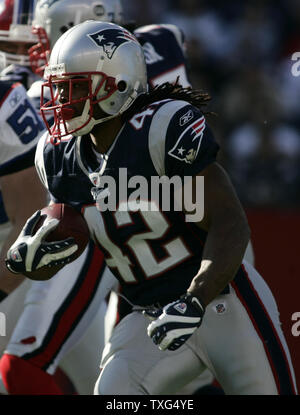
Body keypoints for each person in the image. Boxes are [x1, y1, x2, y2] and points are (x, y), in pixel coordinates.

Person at [5, 20, 297, 395]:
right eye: (59, 90)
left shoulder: (160, 128)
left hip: (224, 304)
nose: (61, 102)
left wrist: (195, 299)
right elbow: (76, 228)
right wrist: (35, 253)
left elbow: (231, 222)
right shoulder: (58, 156)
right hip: (149, 317)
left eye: (74, 89)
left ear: (117, 85)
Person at [0, 0, 120, 395]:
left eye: (19, 48)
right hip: (50, 244)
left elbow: (36, 205)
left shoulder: (14, 100)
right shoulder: (32, 95)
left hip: (64, 237)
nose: (19, 59)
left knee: (20, 371)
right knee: (105, 384)